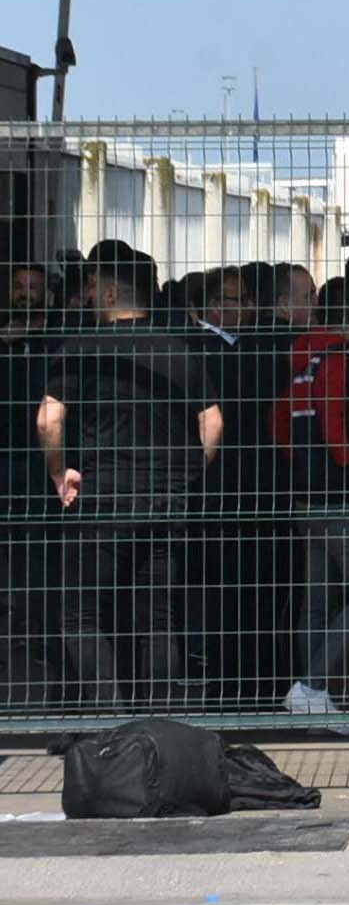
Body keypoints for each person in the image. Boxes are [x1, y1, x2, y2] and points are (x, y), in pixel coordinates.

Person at [38, 242, 224, 710]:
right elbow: (214, 420)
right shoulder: (178, 348)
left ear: (108, 291)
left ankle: (110, 717)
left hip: (104, 496)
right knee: (158, 618)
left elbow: (48, 420)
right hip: (166, 500)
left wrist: (61, 475)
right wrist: (186, 474)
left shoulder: (84, 348)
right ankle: (158, 722)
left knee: (81, 615)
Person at [279, 275, 349, 718]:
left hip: (308, 495)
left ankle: (313, 695)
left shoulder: (302, 355)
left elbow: (279, 424)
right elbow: (336, 425)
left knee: (318, 599)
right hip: (340, 497)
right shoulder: (339, 358)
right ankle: (311, 685)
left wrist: (302, 471)